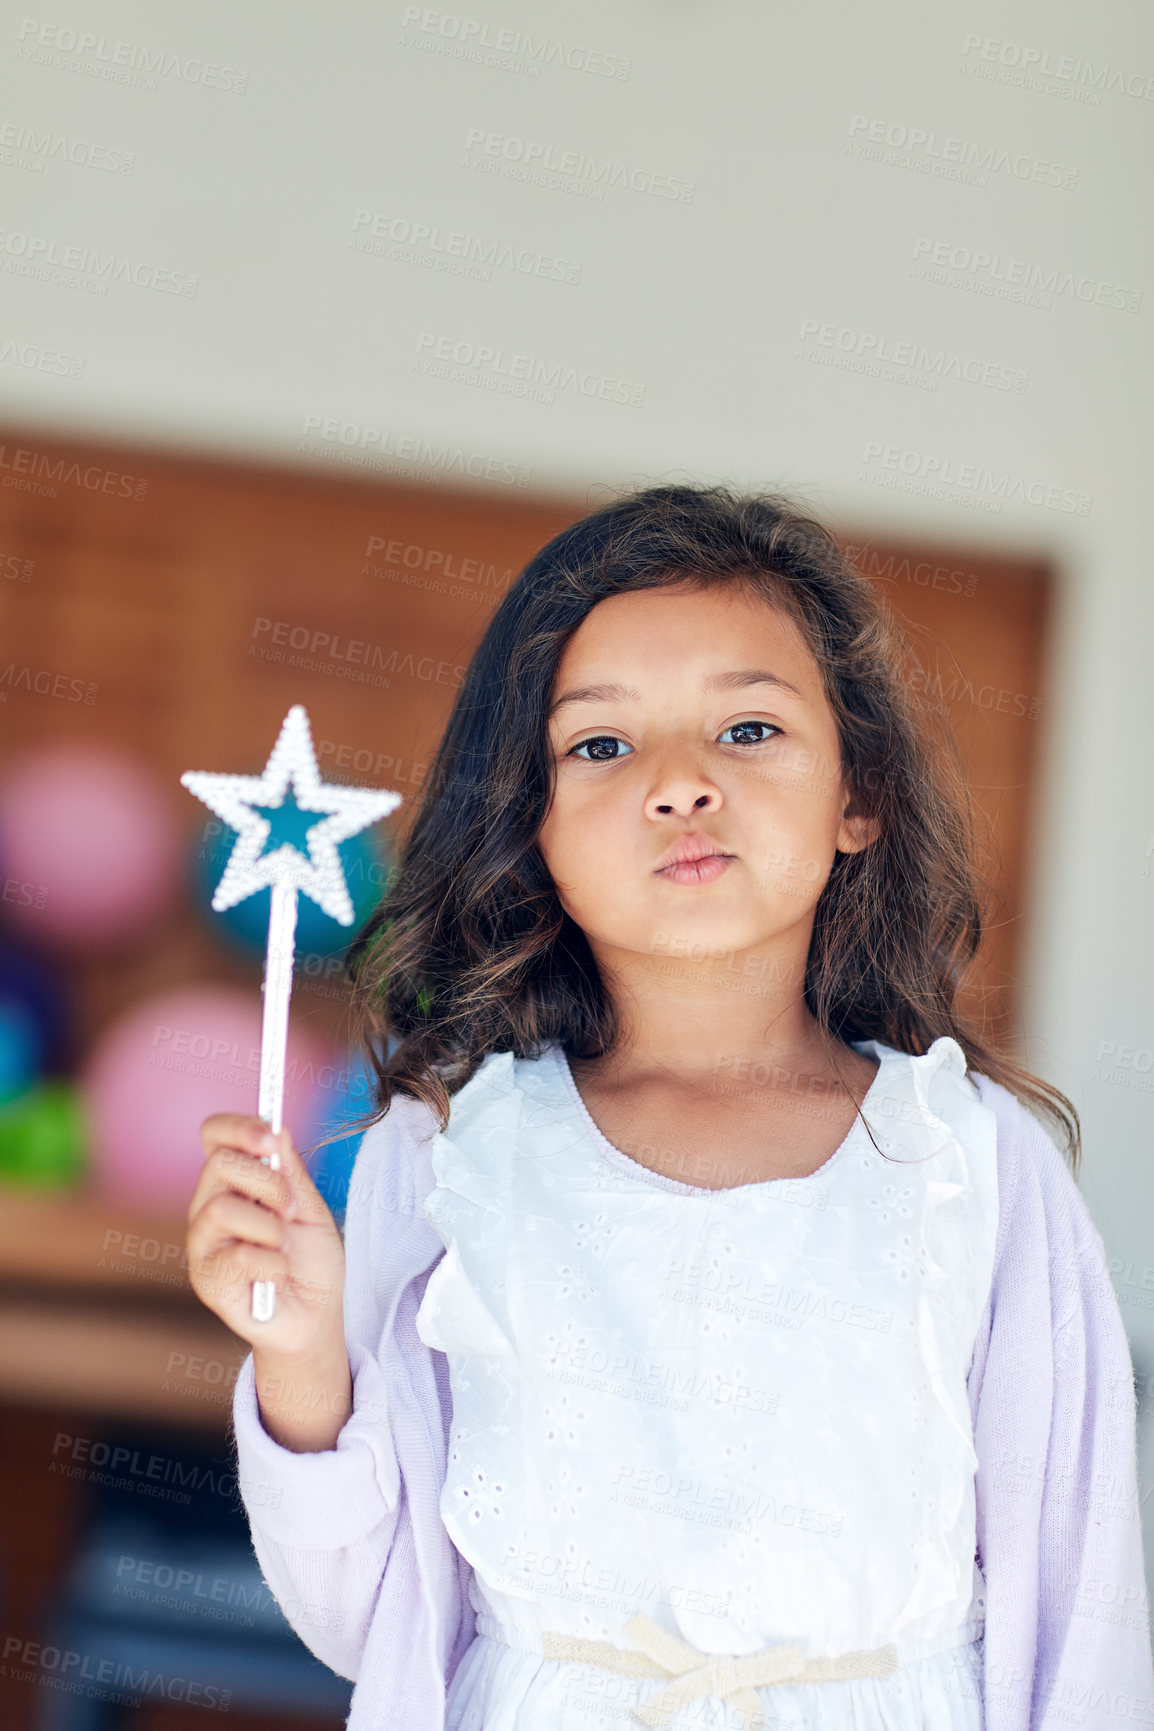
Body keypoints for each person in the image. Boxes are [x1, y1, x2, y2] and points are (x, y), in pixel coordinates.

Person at [187, 485, 1154, 1731]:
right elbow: (366, 1623)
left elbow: (1082, 1616)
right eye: (599, 745)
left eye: (746, 730)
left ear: (856, 795)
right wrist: (301, 1356)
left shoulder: (972, 1164)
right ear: (528, 826)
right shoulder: (447, 1156)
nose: (679, 784)